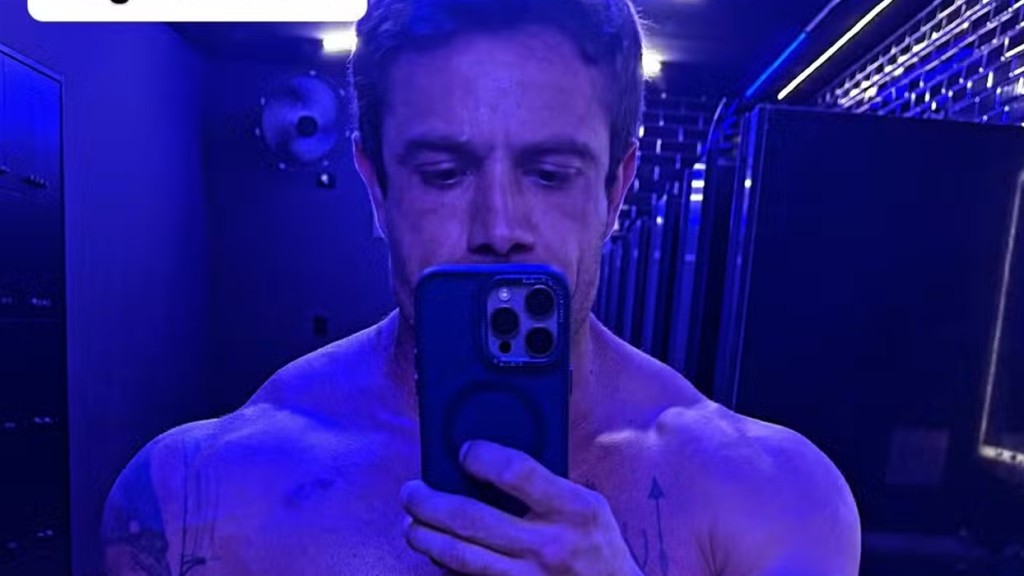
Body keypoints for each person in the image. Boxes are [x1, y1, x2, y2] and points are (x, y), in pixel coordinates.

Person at [102, 0, 861, 574]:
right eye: (444, 173)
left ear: (616, 189)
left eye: (550, 173)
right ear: (376, 187)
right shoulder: (196, 495)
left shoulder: (771, 497)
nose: (499, 226)